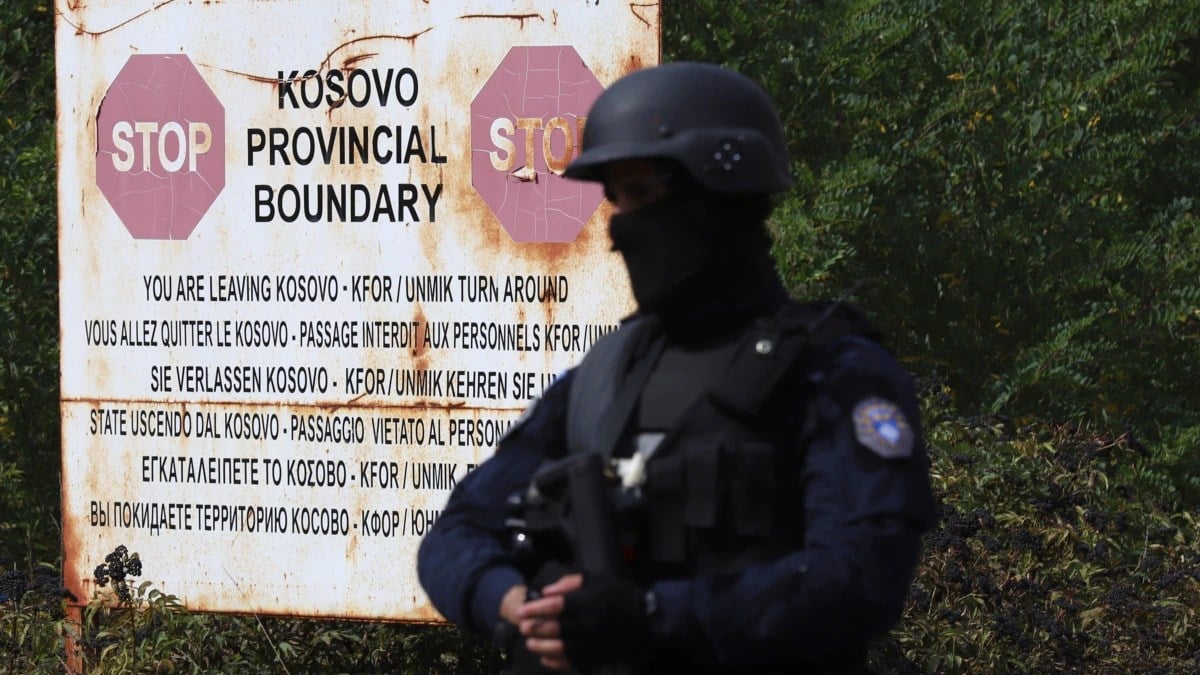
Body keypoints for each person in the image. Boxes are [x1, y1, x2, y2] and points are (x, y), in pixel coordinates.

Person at [417, 61, 937, 674]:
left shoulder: (833, 371)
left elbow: (860, 581)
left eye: (639, 194)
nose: (618, 228)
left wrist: (654, 617)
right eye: (614, 198)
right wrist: (516, 605)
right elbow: (456, 533)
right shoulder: (612, 370)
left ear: (715, 193)